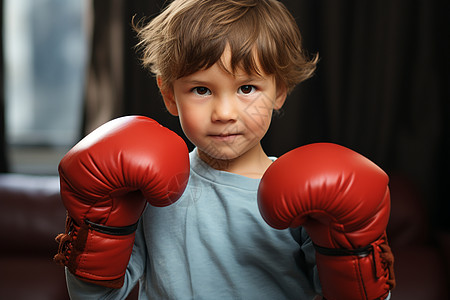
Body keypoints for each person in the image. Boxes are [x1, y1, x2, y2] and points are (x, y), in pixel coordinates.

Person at [54, 1, 394, 299]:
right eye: (201, 90)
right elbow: (96, 297)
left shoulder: (307, 197)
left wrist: (355, 256)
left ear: (280, 91)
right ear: (169, 94)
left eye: (247, 88)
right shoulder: (149, 191)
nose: (224, 113)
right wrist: (95, 231)